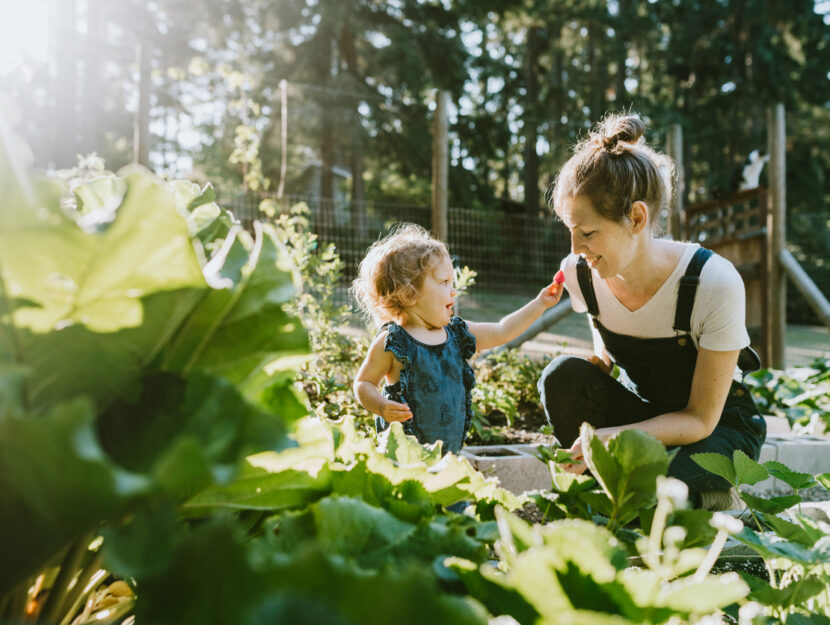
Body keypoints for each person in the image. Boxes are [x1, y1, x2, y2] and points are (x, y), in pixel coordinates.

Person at [538, 113, 766, 510]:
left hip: (716, 432)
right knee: (562, 376)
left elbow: (699, 420)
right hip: (649, 416)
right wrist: (601, 365)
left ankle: (709, 496)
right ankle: (630, 496)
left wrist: (619, 438)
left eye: (588, 232)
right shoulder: (582, 274)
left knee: (652, 471)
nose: (575, 248)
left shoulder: (712, 281)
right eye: (570, 229)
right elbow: (607, 337)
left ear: (637, 218)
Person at [352, 223, 563, 455]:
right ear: (409, 293)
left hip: (449, 453)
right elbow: (363, 384)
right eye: (444, 282)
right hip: (404, 454)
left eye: (453, 282)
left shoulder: (457, 334)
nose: (453, 291)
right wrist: (381, 406)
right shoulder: (393, 343)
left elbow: (503, 331)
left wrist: (540, 303)